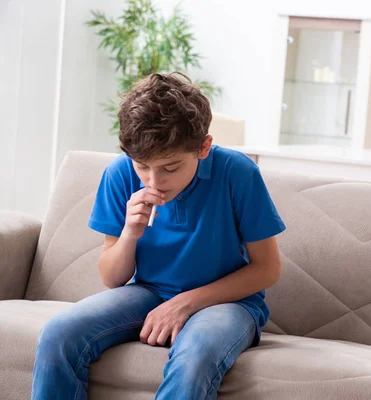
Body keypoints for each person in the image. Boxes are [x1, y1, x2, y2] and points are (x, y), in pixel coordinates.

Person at [31, 72, 286, 399]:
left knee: (197, 352)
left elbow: (267, 268)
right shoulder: (119, 173)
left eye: (170, 167)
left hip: (229, 303)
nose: (154, 181)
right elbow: (112, 278)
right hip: (147, 292)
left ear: (204, 147)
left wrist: (184, 303)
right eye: (142, 166)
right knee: (58, 333)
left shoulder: (237, 173)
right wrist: (129, 233)